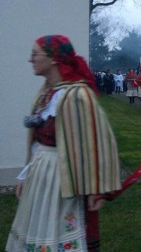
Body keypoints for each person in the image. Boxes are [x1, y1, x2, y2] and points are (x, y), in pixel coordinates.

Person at [6, 35, 121, 252]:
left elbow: (96, 143)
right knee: (38, 229)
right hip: (41, 176)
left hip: (63, 179)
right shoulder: (46, 93)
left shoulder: (77, 95)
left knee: (61, 232)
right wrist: (25, 174)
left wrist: (96, 189)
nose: (30, 60)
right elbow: (37, 141)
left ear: (53, 59)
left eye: (35, 54)